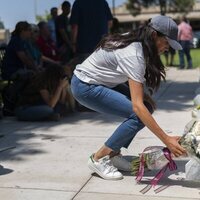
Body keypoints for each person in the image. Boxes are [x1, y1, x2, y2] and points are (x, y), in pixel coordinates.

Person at [70, 15, 186, 180]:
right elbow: (137, 107)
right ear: (154, 35)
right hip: (85, 86)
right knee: (138, 114)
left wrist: (144, 99)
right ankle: (98, 158)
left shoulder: (138, 42)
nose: (168, 48)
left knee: (147, 107)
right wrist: (166, 139)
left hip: (100, 81)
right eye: (166, 42)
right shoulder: (134, 54)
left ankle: (114, 156)